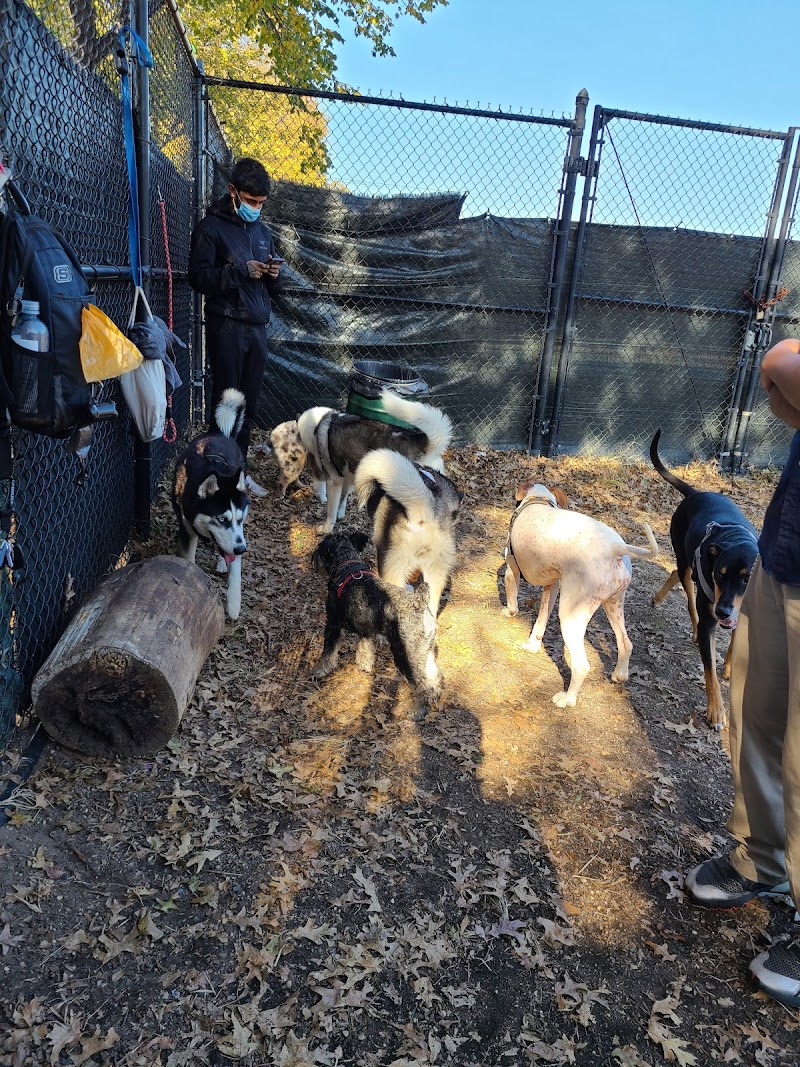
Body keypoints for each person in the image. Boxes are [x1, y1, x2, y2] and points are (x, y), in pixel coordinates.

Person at [685, 336, 800, 1008]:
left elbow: (782, 361)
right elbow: (783, 386)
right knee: (756, 719)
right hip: (783, 555)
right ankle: (764, 861)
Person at [188, 158, 283, 496]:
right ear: (232, 191)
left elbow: (274, 288)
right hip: (226, 324)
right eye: (251, 201)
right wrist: (241, 271)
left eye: (261, 203)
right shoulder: (210, 227)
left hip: (257, 327)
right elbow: (198, 277)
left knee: (248, 405)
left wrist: (273, 276)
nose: (256, 208)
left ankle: (238, 473)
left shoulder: (263, 232)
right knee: (226, 404)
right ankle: (216, 474)